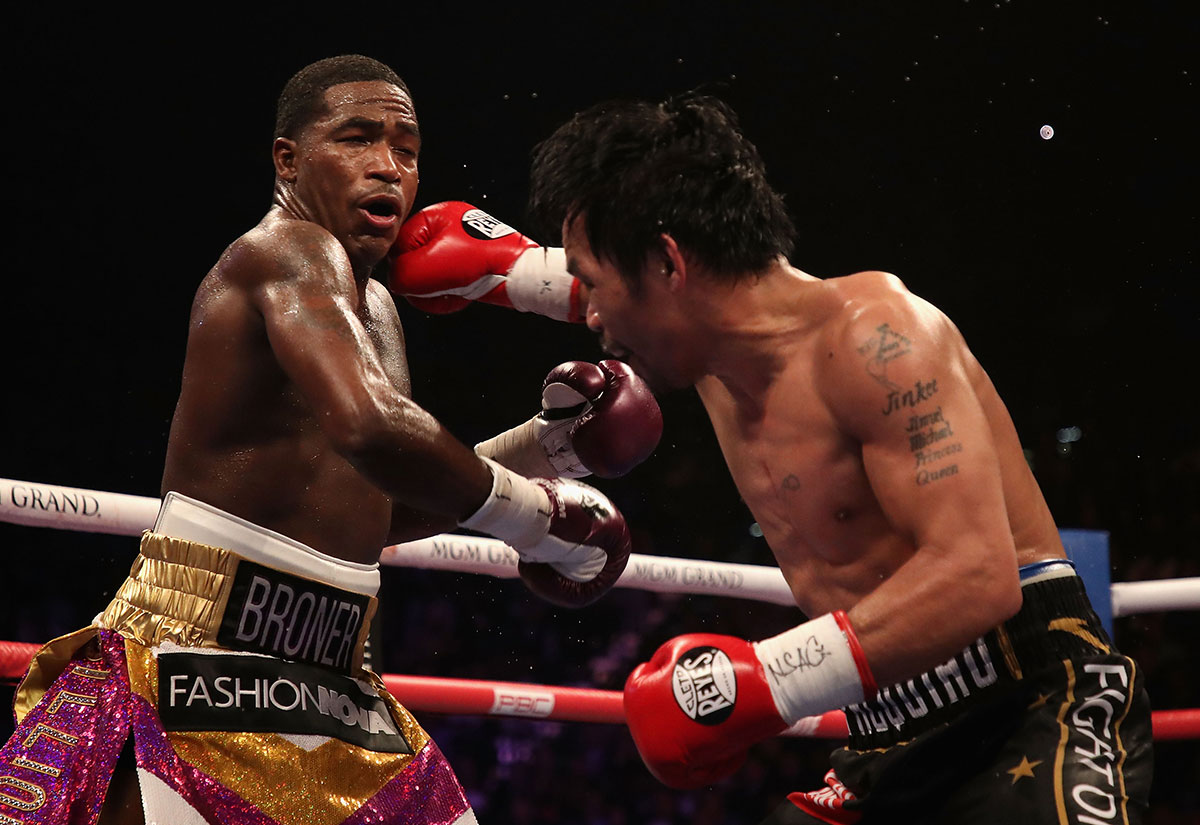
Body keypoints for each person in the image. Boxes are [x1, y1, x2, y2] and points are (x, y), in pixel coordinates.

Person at [0, 55, 661, 825]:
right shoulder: (284, 251)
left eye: (408, 150)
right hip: (194, 657)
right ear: (289, 159)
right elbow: (372, 423)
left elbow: (383, 502)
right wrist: (538, 518)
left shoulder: (374, 305)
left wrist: (546, 447)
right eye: (357, 138)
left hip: (334, 676)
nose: (388, 167)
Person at [526, 93, 1154, 824]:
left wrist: (763, 683)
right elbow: (598, 273)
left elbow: (978, 576)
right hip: (887, 732)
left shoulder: (876, 341)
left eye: (593, 287)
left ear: (668, 263)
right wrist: (480, 268)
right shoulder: (700, 344)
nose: (590, 315)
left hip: (1030, 700)